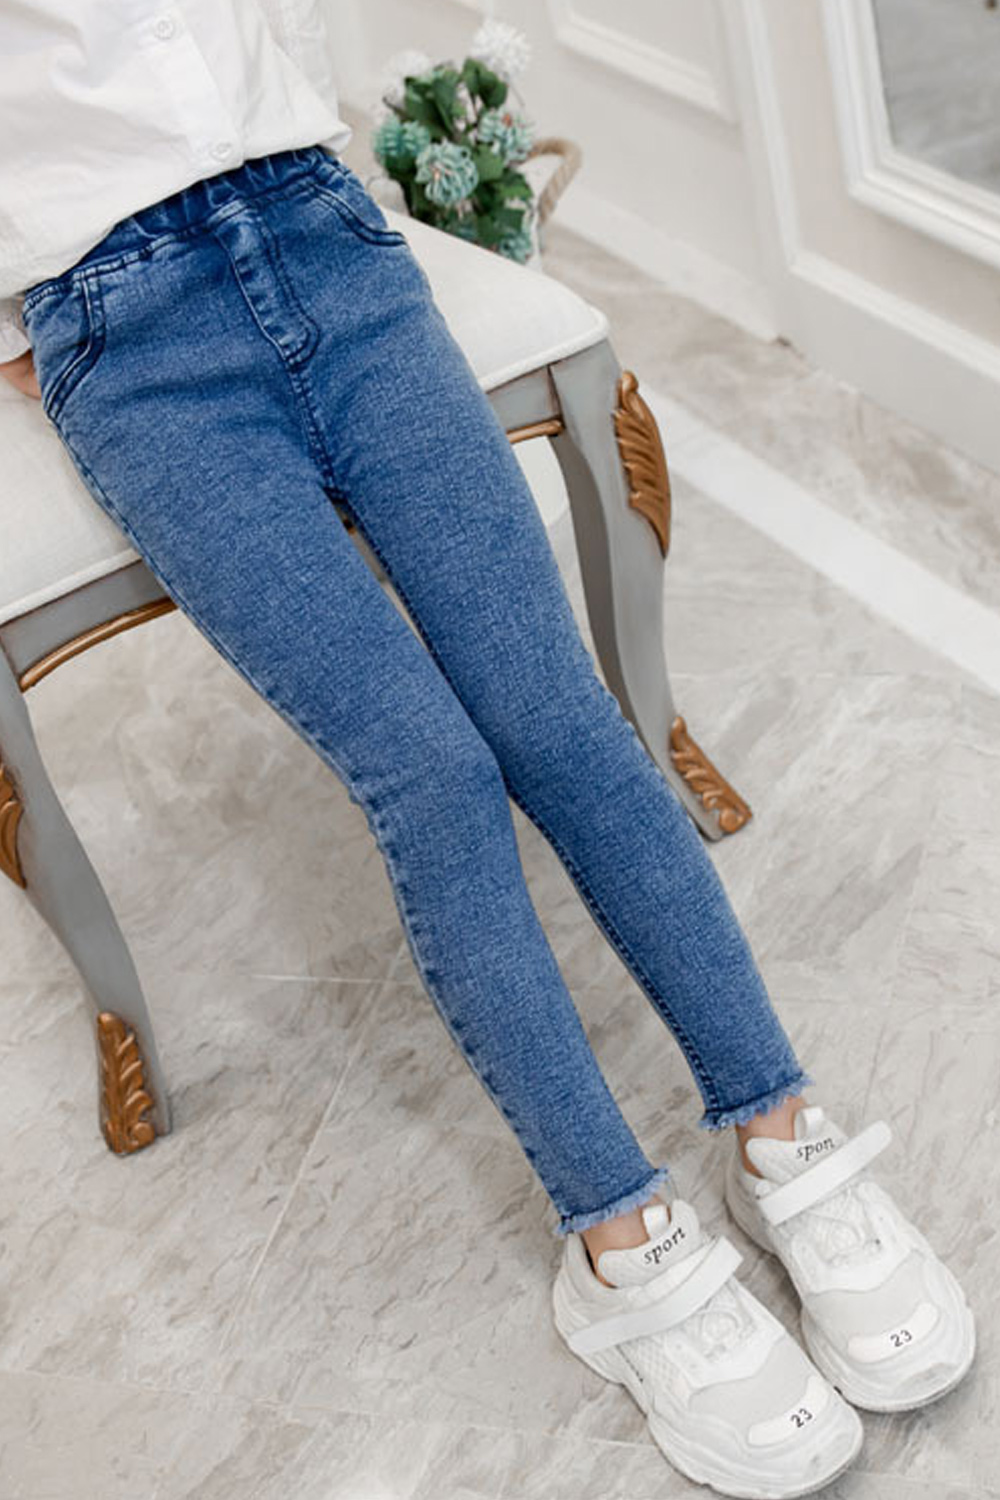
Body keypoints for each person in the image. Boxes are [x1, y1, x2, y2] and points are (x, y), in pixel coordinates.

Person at [0, 5, 974, 1497]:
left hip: (319, 229)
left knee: (558, 718)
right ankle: (618, 1241)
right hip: (120, 331)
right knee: (432, 776)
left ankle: (780, 1132)